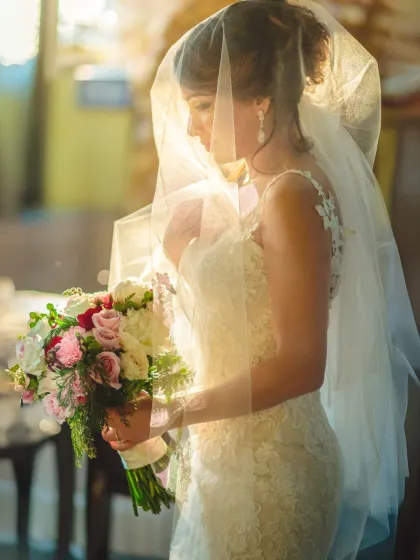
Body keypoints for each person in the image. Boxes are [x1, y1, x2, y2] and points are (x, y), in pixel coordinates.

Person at [103, 1, 420, 558]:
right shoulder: (244, 193)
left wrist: (170, 412)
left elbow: (301, 364)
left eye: (202, 105)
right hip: (221, 463)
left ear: (258, 98)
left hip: (276, 480)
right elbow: (230, 323)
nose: (192, 127)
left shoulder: (294, 195)